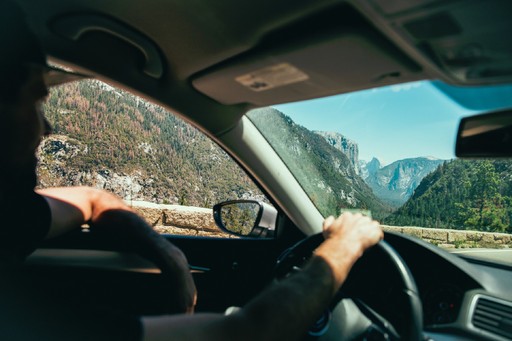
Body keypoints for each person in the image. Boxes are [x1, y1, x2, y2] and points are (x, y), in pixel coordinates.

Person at [0, 1, 383, 340]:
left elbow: (93, 199)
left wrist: (172, 256)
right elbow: (247, 333)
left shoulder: (12, 218)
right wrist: (344, 245)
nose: (46, 127)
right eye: (36, 99)